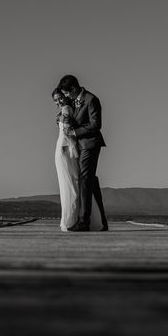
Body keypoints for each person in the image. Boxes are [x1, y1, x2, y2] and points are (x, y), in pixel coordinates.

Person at [57, 74, 108, 232]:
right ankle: (102, 221)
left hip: (90, 144)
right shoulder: (72, 100)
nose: (65, 96)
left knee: (85, 179)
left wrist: (75, 132)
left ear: (73, 88)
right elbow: (65, 113)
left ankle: (84, 221)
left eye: (66, 93)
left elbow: (96, 125)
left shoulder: (91, 99)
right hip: (77, 147)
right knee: (91, 181)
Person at [52, 88, 80, 231]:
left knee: (70, 184)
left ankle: (70, 219)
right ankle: (71, 219)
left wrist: (73, 146)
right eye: (55, 100)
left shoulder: (67, 109)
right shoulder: (67, 109)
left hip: (65, 148)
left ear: (65, 96)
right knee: (69, 184)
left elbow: (67, 131)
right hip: (63, 148)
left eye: (60, 98)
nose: (58, 102)